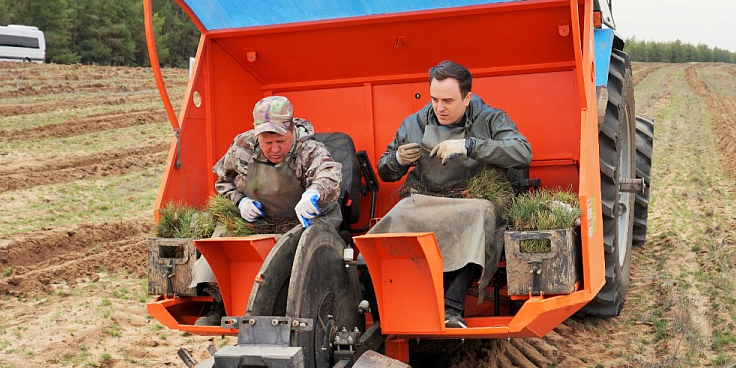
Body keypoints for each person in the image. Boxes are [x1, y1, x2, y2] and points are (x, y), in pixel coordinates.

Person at [374, 60, 532, 328]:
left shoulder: (492, 119)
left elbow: (522, 153)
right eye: (434, 99)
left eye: (447, 100)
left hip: (473, 199)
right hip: (425, 198)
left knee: (477, 215)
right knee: (396, 217)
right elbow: (385, 171)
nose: (439, 107)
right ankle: (385, 303)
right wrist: (397, 160)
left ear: (467, 97)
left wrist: (470, 146)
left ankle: (452, 308)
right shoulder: (413, 123)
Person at [192, 95, 344, 326]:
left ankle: (293, 313)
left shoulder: (309, 149)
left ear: (292, 129)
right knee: (224, 239)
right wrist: (240, 202)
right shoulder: (243, 147)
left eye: (280, 141)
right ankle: (221, 305)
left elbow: (329, 175)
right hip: (262, 220)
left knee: (297, 252)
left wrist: (313, 193)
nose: (274, 149)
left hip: (304, 220)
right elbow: (224, 182)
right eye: (267, 142)